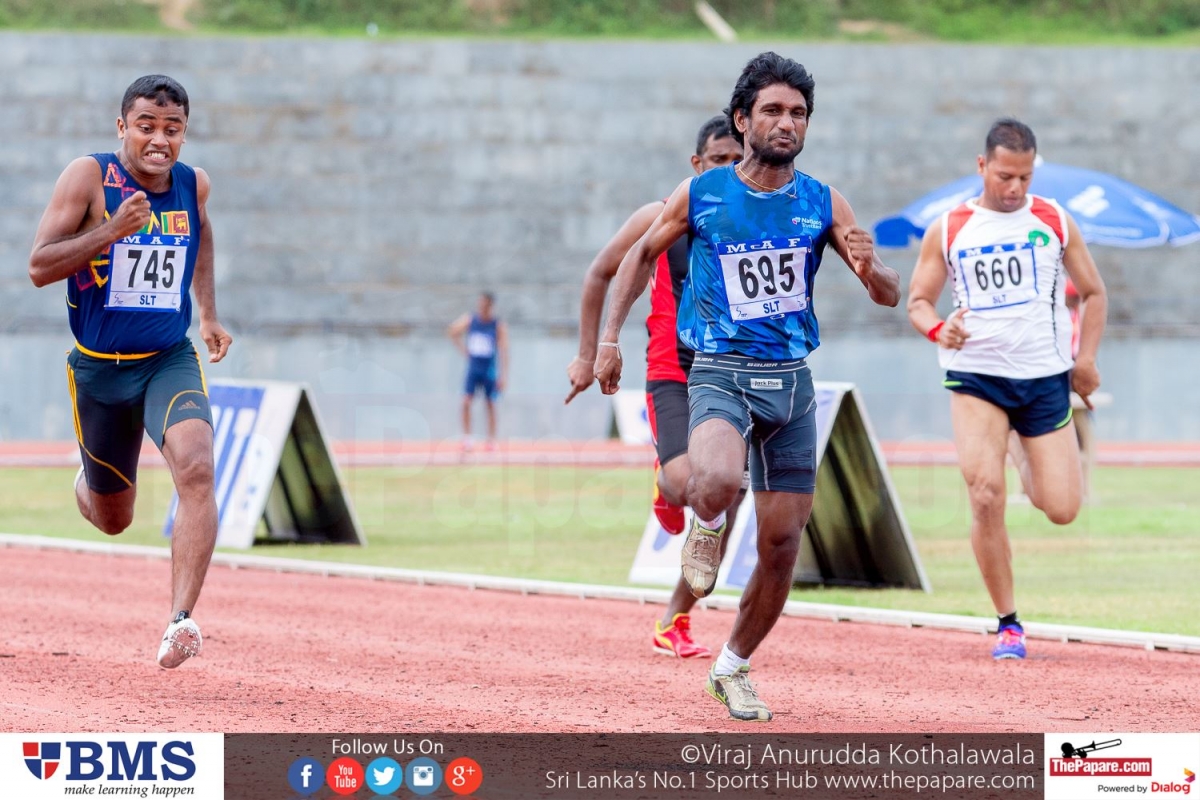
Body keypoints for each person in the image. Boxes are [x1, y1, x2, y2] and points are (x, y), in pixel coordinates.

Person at [594, 53, 901, 721]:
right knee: (716, 482)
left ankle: (732, 665)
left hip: (791, 383)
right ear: (743, 119)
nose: (787, 123)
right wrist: (609, 339)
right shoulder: (701, 194)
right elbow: (639, 257)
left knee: (782, 544)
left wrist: (873, 266)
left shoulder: (823, 201)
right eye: (773, 111)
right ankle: (705, 527)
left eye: (798, 113)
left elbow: (886, 294)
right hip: (721, 371)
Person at [28, 75, 233, 669]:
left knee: (197, 467)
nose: (159, 140)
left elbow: (202, 233)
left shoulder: (193, 184)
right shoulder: (88, 177)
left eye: (173, 129)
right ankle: (88, 483)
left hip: (167, 359)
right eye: (146, 127)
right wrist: (111, 231)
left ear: (185, 134)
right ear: (123, 127)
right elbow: (39, 266)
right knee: (113, 518)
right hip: (99, 371)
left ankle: (180, 620)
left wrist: (208, 314)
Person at [906, 118, 1107, 661]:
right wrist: (937, 329)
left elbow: (1094, 292)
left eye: (1024, 177)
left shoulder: (1054, 219)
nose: (1014, 188)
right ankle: (1009, 623)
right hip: (977, 377)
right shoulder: (950, 227)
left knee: (1061, 507)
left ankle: (1018, 445)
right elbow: (918, 301)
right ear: (982, 166)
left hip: (1043, 378)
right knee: (985, 494)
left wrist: (1086, 359)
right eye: (1004, 176)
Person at [565, 115, 744, 659]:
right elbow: (600, 272)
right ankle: (665, 488)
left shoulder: (758, 218)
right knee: (689, 484)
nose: (729, 169)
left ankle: (675, 619)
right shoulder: (660, 215)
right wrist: (589, 353)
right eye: (719, 160)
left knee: (727, 497)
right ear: (696, 164)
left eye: (738, 160)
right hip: (673, 369)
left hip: (732, 370)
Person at [448, 292, 508, 449]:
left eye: (484, 304)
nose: (481, 307)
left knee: (491, 403)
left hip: (489, 369)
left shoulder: (497, 325)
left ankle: (491, 440)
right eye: (480, 304)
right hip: (473, 369)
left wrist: (503, 376)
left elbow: (504, 351)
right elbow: (453, 331)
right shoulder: (470, 320)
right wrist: (463, 350)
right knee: (466, 401)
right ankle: (467, 438)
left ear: (490, 305)